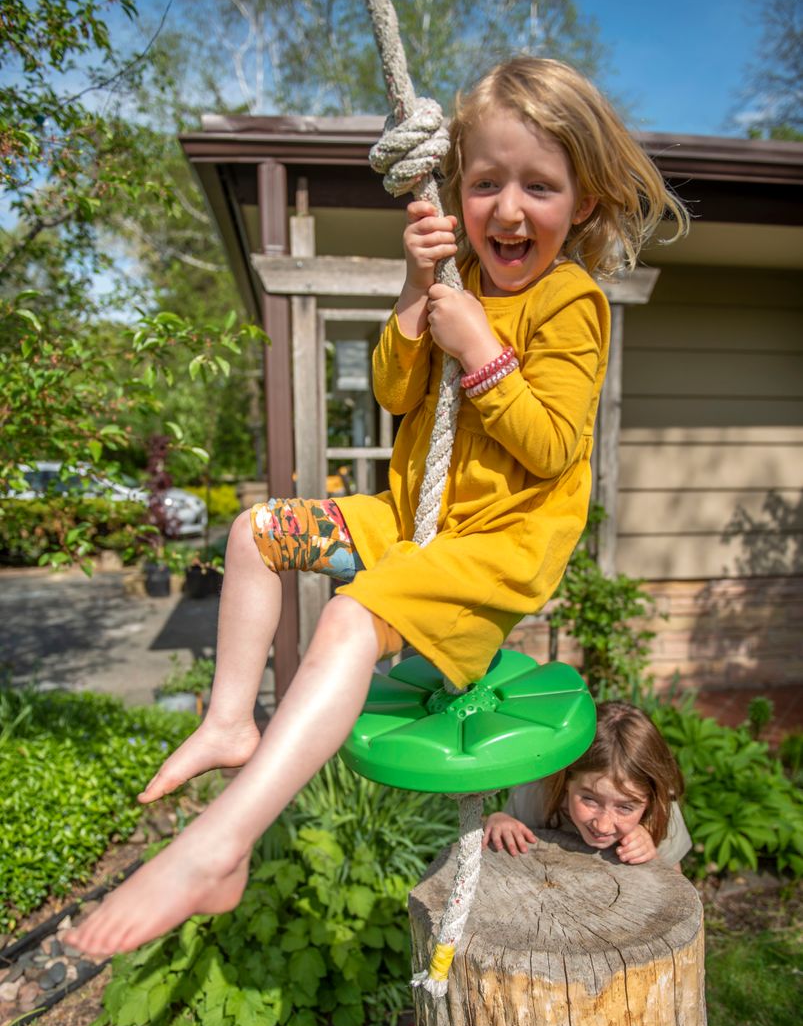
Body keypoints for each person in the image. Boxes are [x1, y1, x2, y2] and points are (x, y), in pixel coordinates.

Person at [66, 56, 688, 956]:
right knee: (256, 532)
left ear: (583, 200)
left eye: (538, 186)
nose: (507, 209)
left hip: (497, 548)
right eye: (485, 183)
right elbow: (398, 390)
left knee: (353, 621)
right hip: (413, 518)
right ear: (458, 188)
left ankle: (220, 843)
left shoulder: (571, 301)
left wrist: (480, 348)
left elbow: (553, 446)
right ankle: (231, 718)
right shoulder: (456, 277)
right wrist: (414, 291)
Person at [483, 701, 692, 870]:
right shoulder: (536, 795)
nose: (603, 825)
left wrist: (651, 854)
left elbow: (675, 886)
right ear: (566, 781)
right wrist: (498, 820)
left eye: (625, 807)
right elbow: (506, 831)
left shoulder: (663, 812)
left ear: (651, 800)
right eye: (590, 799)